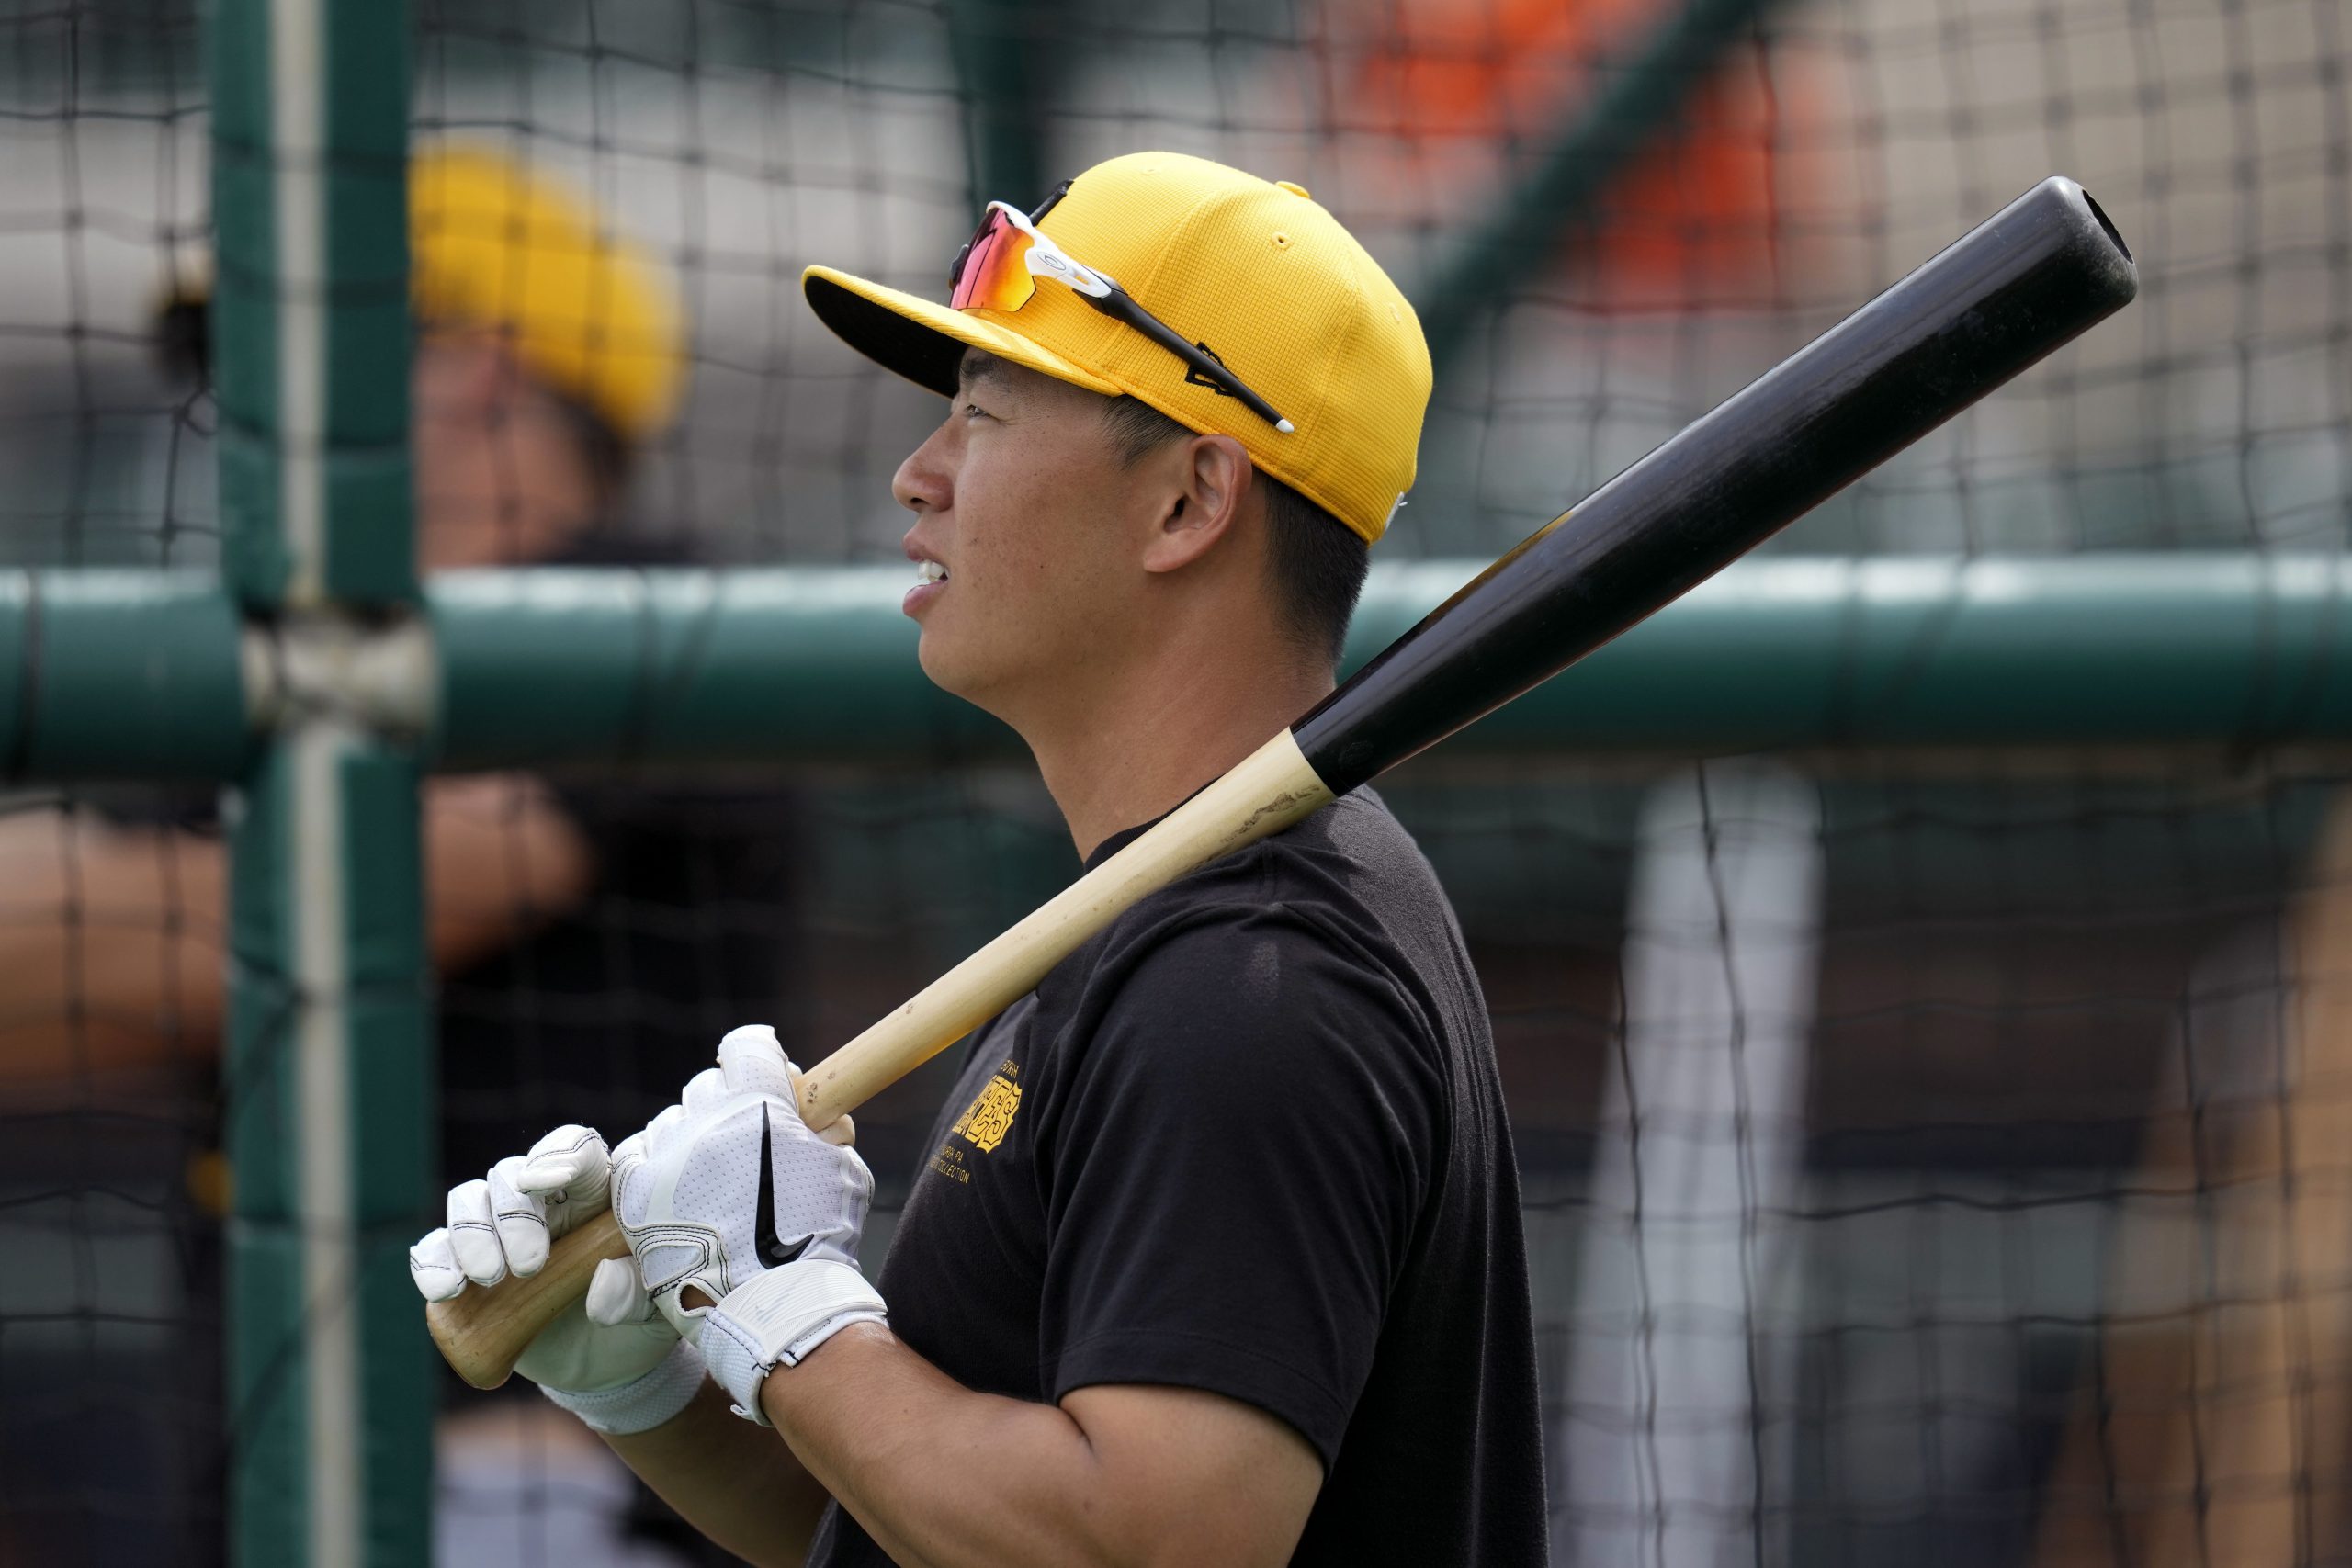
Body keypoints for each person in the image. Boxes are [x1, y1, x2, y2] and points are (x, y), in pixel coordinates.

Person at [413, 152, 1547, 1566]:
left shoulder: (1252, 985)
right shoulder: (1154, 936)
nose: (920, 473)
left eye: (987, 415)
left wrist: (784, 1309)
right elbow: (915, 1526)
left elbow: (1149, 1549)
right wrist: (658, 1372)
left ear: (1189, 502)